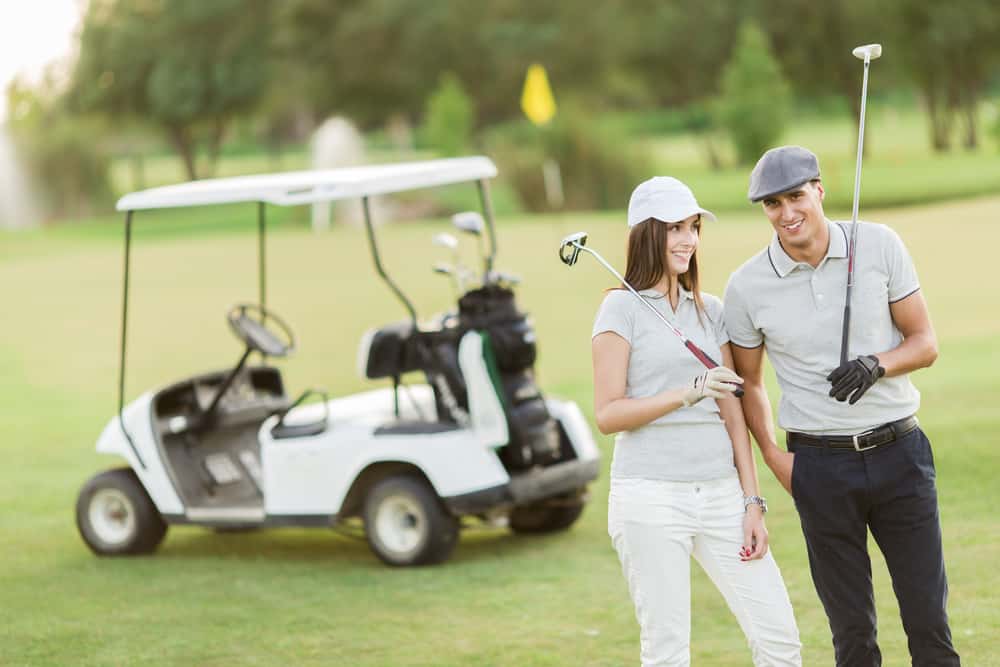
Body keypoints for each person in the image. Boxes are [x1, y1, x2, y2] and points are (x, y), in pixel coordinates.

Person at [723, 145, 960, 666]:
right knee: (851, 634)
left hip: (900, 455)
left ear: (820, 190)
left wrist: (877, 363)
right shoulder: (745, 287)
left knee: (929, 623)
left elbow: (925, 343)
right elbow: (750, 384)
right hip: (820, 466)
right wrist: (774, 456)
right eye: (772, 204)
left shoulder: (878, 244)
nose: (787, 214)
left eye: (796, 197)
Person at [593, 176, 801, 667]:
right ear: (648, 234)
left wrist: (752, 501)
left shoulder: (710, 312)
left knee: (779, 638)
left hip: (722, 495)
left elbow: (734, 413)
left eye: (693, 227)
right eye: (675, 229)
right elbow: (608, 414)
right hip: (650, 495)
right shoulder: (619, 308)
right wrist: (684, 394)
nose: (689, 240)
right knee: (667, 651)